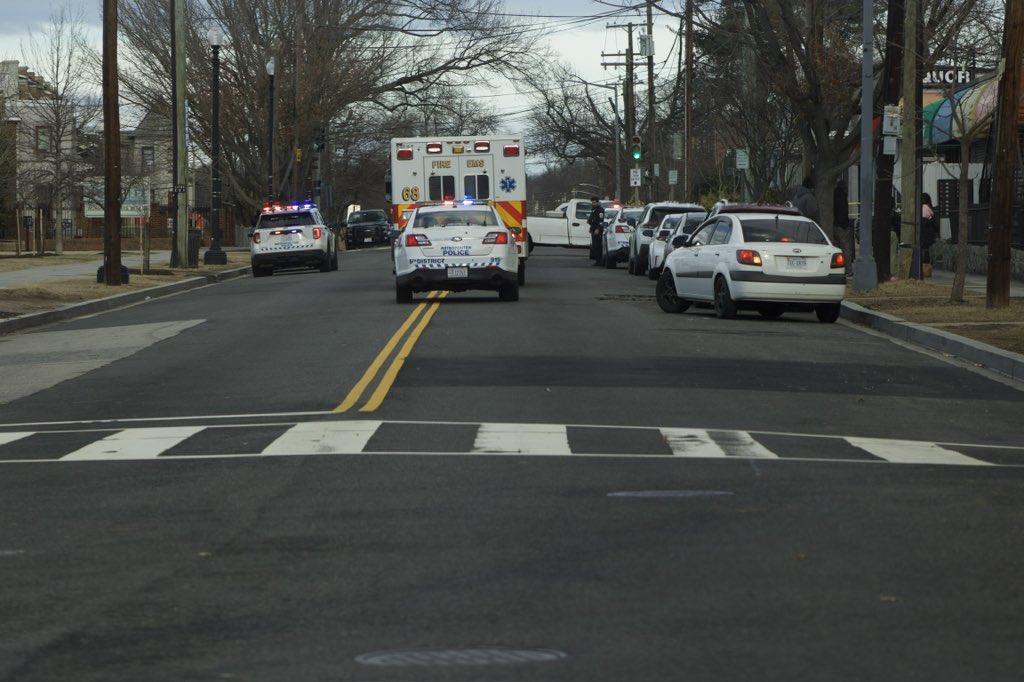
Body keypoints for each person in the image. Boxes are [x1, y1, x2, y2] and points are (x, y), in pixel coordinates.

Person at [587, 196, 606, 264]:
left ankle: (599, 261)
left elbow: (601, 221)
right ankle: (597, 260)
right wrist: (591, 228)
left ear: (597, 202)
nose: (593, 204)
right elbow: (592, 220)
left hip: (598, 231)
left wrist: (598, 229)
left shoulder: (600, 210)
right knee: (594, 246)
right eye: (592, 202)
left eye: (594, 202)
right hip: (594, 229)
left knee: (598, 246)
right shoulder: (593, 209)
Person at [921, 193, 937, 265]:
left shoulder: (923, 208)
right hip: (930, 234)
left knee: (922, 249)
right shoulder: (931, 209)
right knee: (926, 249)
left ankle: (924, 263)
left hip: (923, 233)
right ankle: (927, 264)